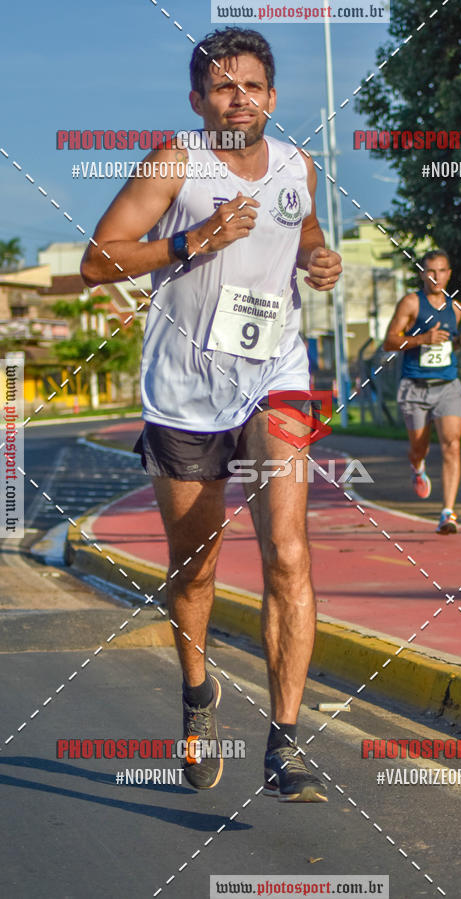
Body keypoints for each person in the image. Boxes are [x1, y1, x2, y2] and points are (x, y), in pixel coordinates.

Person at [81, 27, 341, 802]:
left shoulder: (299, 168)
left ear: (271, 95)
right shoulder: (175, 163)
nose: (240, 97)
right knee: (195, 569)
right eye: (224, 86)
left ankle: (286, 744)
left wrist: (317, 259)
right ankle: (198, 694)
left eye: (253, 84)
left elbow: (306, 235)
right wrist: (190, 239)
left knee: (287, 552)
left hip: (277, 377)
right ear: (198, 100)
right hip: (185, 391)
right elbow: (99, 260)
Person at [383, 250, 461, 534]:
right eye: (430, 271)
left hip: (447, 385)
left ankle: (448, 513)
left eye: (442, 271)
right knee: (418, 447)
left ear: (450, 273)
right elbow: (389, 342)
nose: (436, 277)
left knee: (452, 445)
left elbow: (447, 347)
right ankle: (417, 466)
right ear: (423, 274)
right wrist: (423, 338)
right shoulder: (411, 303)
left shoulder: (456, 308)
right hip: (415, 387)